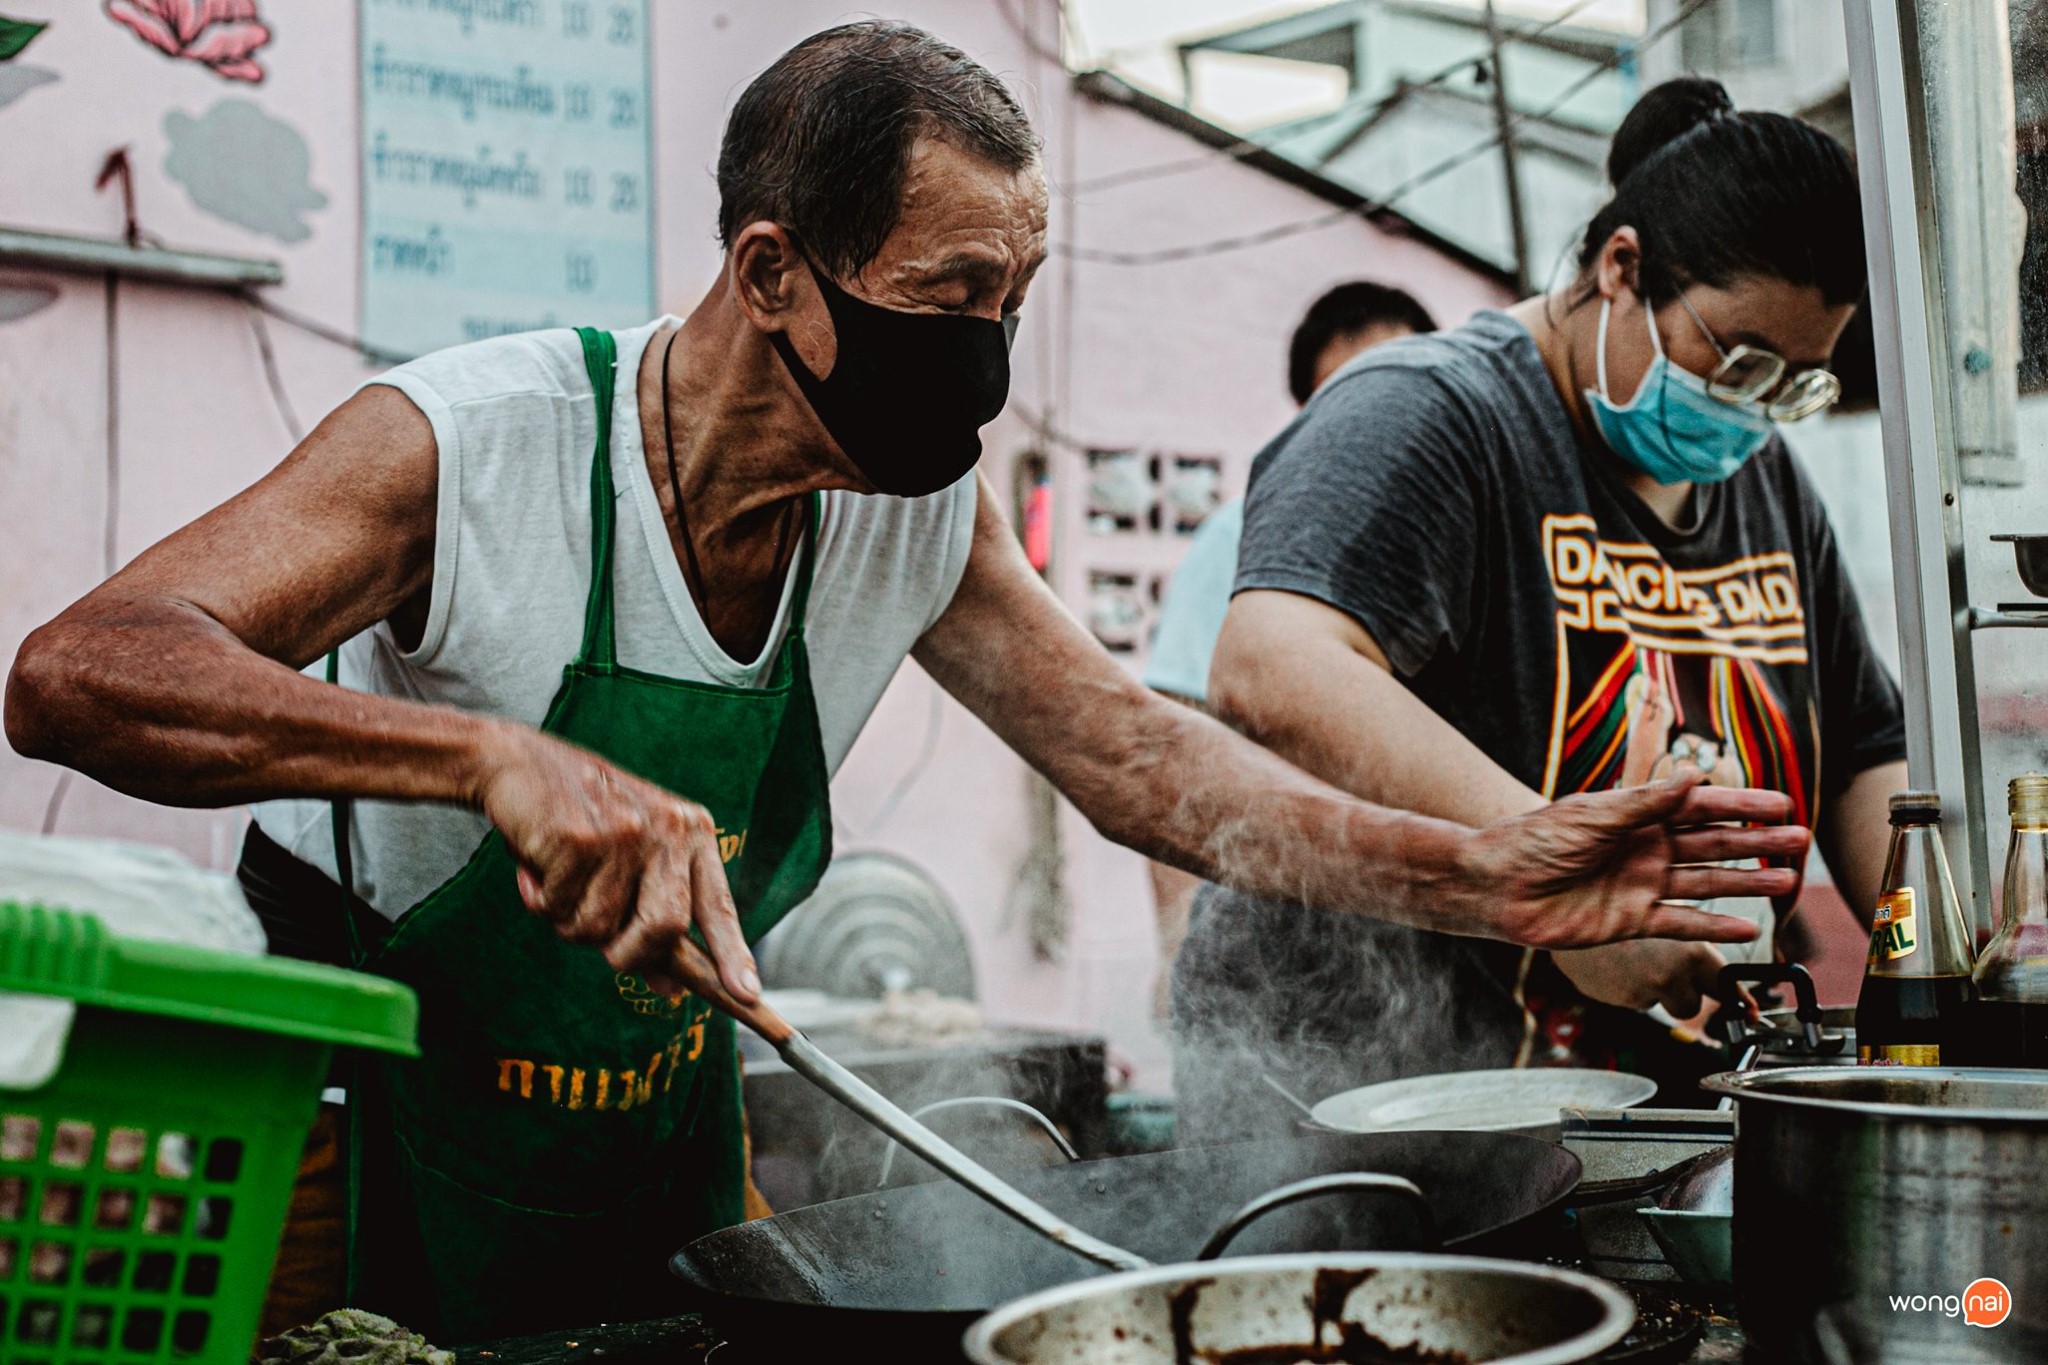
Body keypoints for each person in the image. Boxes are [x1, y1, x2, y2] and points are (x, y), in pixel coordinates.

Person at [5, 33, 1804, 1342]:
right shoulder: (473, 447)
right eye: (951, 295)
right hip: (384, 1186)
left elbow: (1136, 757)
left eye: (1013, 301)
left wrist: (1486, 873)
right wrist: (487, 759)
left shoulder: (906, 511)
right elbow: (86, 671)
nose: (987, 360)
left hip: (665, 1184)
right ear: (772, 273)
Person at [1172, 77, 1906, 1145]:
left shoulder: (1766, 482)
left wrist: (1963, 961)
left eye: (1791, 383)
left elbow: (1863, 759)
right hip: (1364, 1104)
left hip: (1633, 1120)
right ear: (1620, 269)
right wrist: (1562, 879)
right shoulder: (1427, 416)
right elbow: (1271, 663)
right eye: (1737, 360)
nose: (1751, 410)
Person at [1142, 282, 1436, 1007]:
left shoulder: (1457, 542)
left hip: (1434, 936)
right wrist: (1179, 942)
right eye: (1345, 400)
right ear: (1310, 419)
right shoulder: (1242, 536)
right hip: (1272, 937)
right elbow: (1171, 744)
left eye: (1396, 389)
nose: (1375, 420)